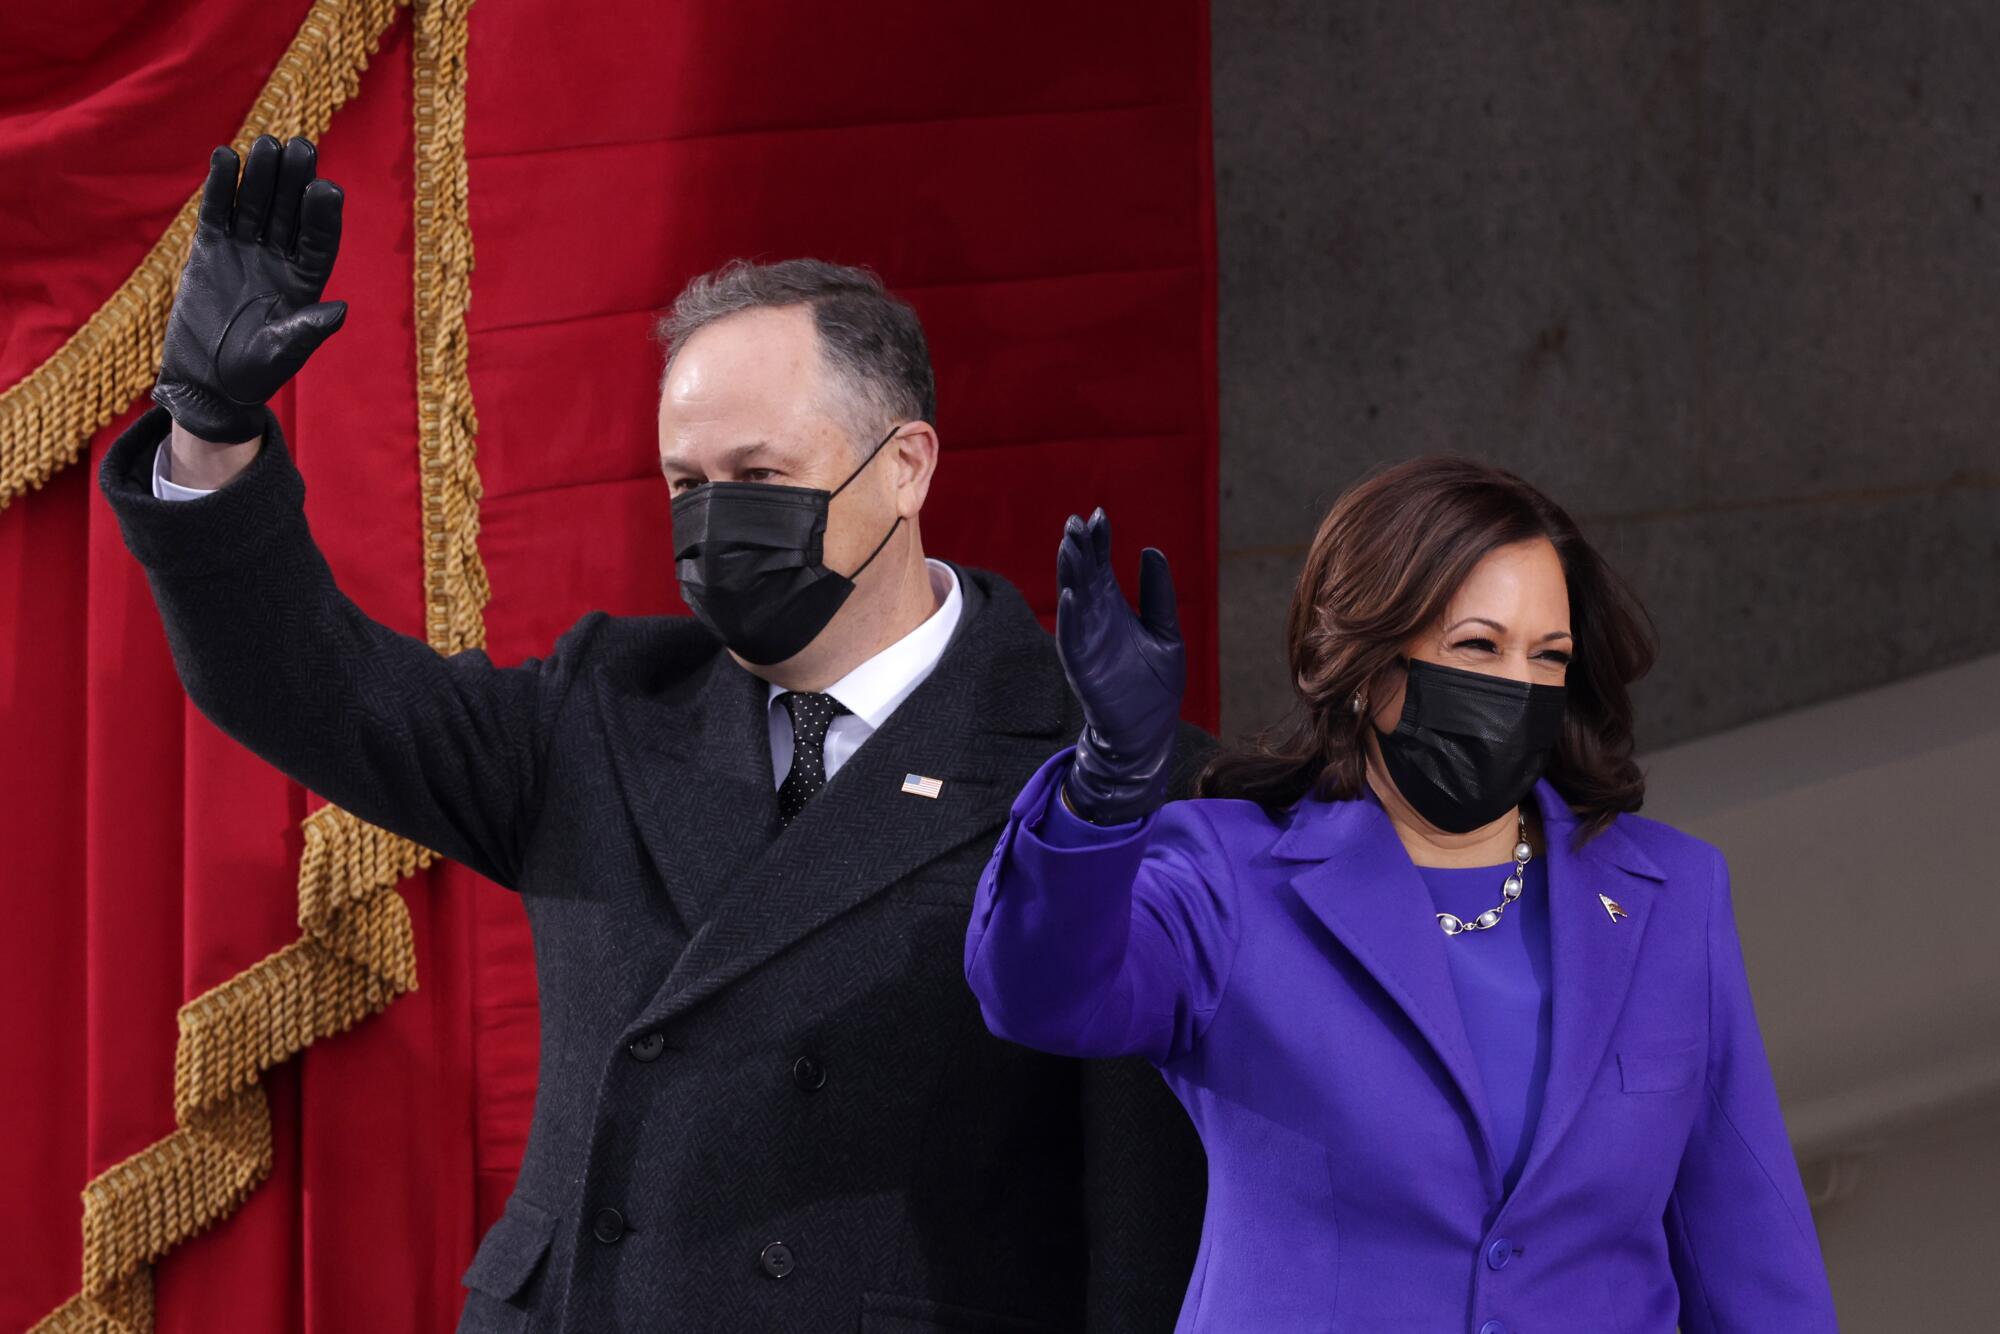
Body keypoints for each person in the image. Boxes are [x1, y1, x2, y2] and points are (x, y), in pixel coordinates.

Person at [99, 133, 1213, 1333]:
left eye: (758, 470)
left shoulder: (1099, 765)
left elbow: (1144, 1222)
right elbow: (304, 687)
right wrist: (209, 435)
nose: (712, 518)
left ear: (905, 469)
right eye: (685, 481)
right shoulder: (605, 708)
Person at [964, 467, 1843, 1333]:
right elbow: (1041, 995)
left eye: (1548, 656)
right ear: (1364, 664)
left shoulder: (1670, 895)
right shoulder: (1227, 878)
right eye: (1477, 647)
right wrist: (1109, 779)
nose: (1517, 687)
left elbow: (1750, 1252)